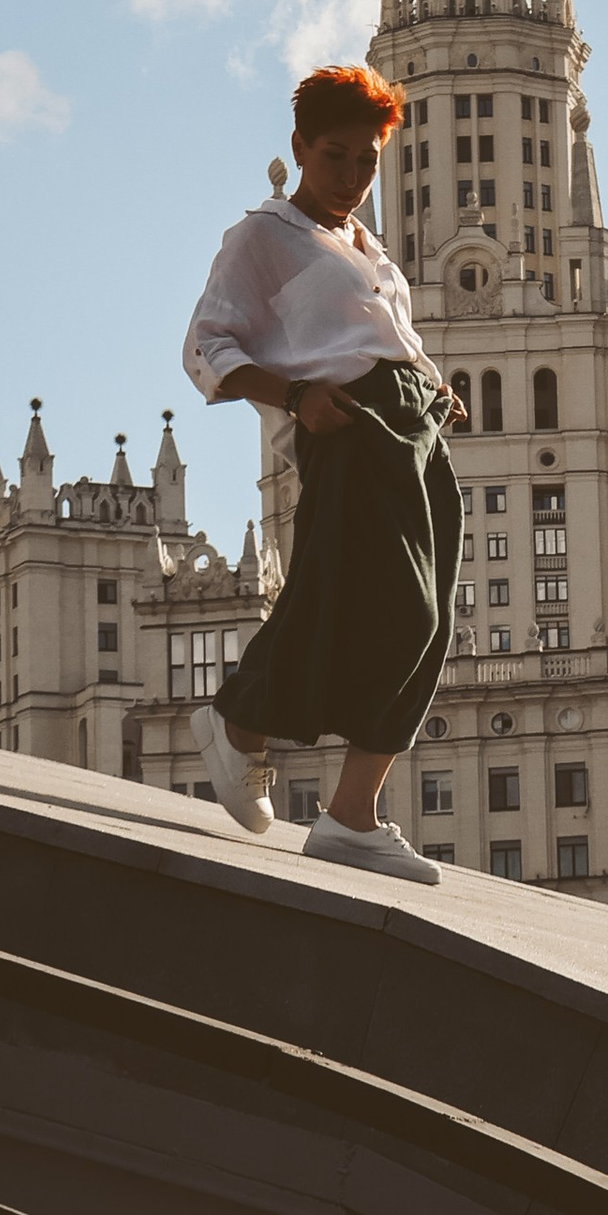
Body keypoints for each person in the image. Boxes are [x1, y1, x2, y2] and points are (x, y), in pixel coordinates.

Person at [180, 63, 466, 883]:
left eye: (367, 162)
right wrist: (300, 397)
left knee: (430, 618)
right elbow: (207, 348)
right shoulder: (264, 237)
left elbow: (378, 337)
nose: (351, 178)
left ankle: (341, 806)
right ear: (300, 147)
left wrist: (432, 383)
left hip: (414, 427)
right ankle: (257, 736)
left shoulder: (364, 245)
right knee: (386, 607)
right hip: (350, 426)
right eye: (336, 157)